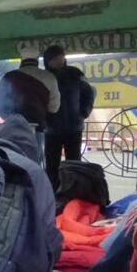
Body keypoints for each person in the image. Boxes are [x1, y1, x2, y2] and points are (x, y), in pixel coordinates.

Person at [0, 44, 60, 163]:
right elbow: (54, 108)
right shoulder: (49, 77)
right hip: (37, 129)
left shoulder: (9, 77)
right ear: (37, 59)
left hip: (11, 128)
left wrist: (10, 118)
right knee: (34, 163)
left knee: (13, 162)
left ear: (22, 59)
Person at [43, 45, 96, 191]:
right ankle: (53, 193)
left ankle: (73, 192)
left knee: (74, 163)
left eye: (62, 57)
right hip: (52, 129)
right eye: (55, 59)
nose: (60, 61)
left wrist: (84, 111)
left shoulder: (75, 73)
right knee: (52, 164)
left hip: (74, 127)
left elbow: (89, 92)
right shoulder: (45, 77)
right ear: (48, 61)